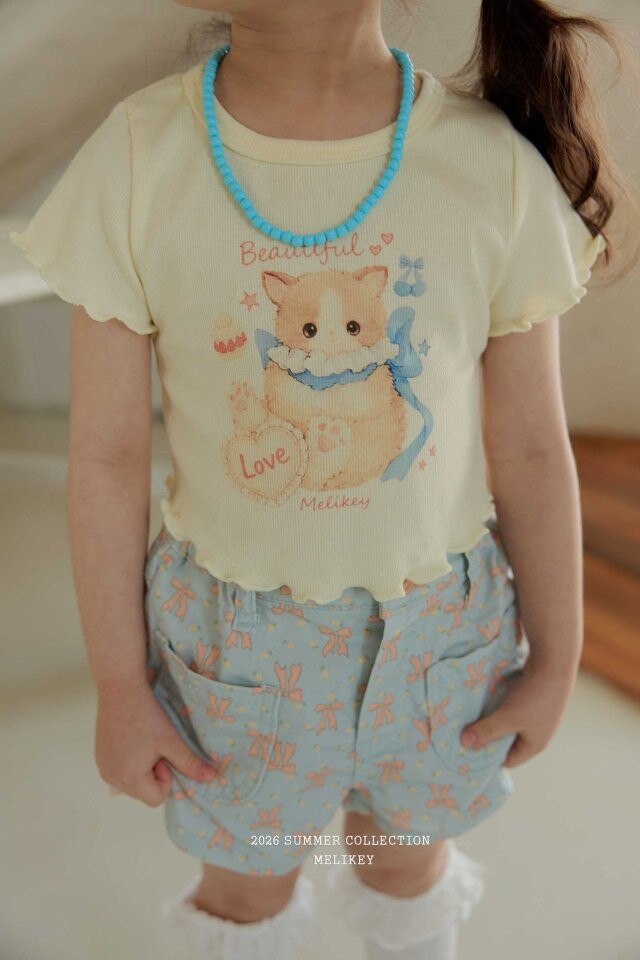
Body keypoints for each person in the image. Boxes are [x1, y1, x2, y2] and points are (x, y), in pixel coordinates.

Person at [9, 0, 637, 958]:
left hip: (438, 649)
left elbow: (532, 450)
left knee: (402, 867)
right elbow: (106, 457)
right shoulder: (138, 159)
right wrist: (118, 682)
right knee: (247, 889)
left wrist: (556, 657)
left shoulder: (489, 167)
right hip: (237, 660)